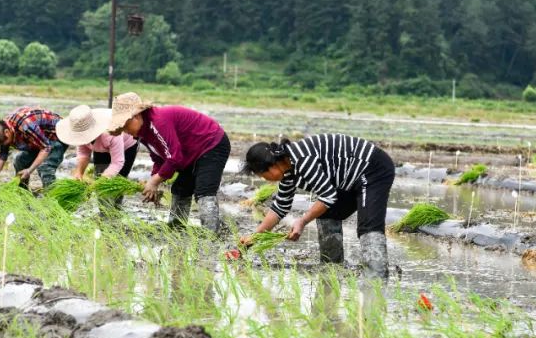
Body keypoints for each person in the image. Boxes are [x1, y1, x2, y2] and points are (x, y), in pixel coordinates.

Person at [239, 134, 395, 278]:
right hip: (348, 180)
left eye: (262, 175)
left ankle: (376, 277)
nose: (265, 179)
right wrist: (255, 237)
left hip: (372, 169)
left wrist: (303, 221)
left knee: (368, 225)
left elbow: (327, 196)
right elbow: (280, 207)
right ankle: (332, 268)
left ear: (271, 166)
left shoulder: (302, 159)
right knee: (325, 212)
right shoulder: (287, 169)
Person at [107, 92, 229, 234]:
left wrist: (154, 181)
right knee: (180, 188)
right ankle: (176, 228)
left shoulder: (158, 122)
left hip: (212, 143)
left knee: (204, 190)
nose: (126, 131)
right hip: (190, 153)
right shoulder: (144, 131)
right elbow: (159, 158)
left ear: (136, 116)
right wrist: (155, 180)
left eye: (125, 126)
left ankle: (212, 233)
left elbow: (174, 158)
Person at [0, 106, 67, 189]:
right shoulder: (4, 130)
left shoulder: (26, 125)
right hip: (39, 140)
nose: (3, 146)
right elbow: (1, 157)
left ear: (7, 132)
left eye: (3, 143)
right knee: (19, 161)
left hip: (57, 137)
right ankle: (23, 192)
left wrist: (29, 170)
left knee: (45, 167)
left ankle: (52, 196)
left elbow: (45, 148)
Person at [56, 105, 139, 180]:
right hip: (101, 146)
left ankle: (115, 196)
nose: (81, 137)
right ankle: (101, 196)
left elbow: (117, 162)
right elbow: (83, 154)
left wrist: (103, 179)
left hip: (127, 145)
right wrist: (79, 172)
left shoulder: (111, 132)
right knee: (99, 173)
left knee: (118, 180)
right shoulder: (80, 130)